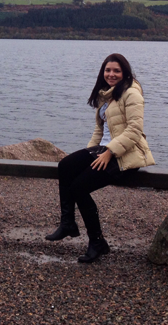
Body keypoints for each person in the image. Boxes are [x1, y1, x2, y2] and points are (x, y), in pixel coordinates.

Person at [45, 53, 155, 263]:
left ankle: (97, 242)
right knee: (66, 165)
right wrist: (88, 154)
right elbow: (100, 130)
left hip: (125, 156)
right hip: (103, 150)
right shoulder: (106, 95)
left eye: (116, 71)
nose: (111, 74)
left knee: (78, 187)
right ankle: (67, 222)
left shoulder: (132, 94)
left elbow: (134, 130)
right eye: (107, 70)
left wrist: (109, 152)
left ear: (125, 73)